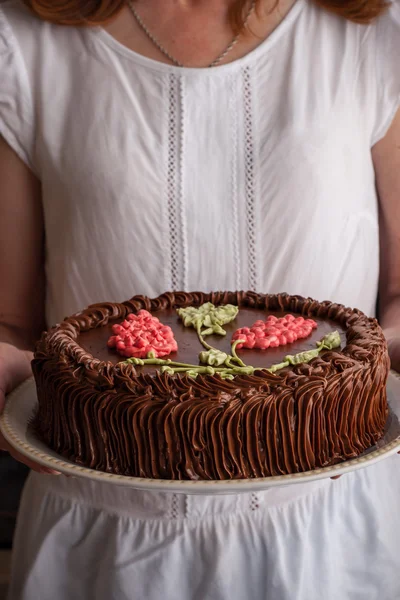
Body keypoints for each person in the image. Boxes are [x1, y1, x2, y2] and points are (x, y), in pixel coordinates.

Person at [0, 0, 400, 598]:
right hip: (100, 540)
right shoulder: (25, 43)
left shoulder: (374, 33)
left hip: (331, 535)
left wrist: (378, 357)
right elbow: (11, 319)